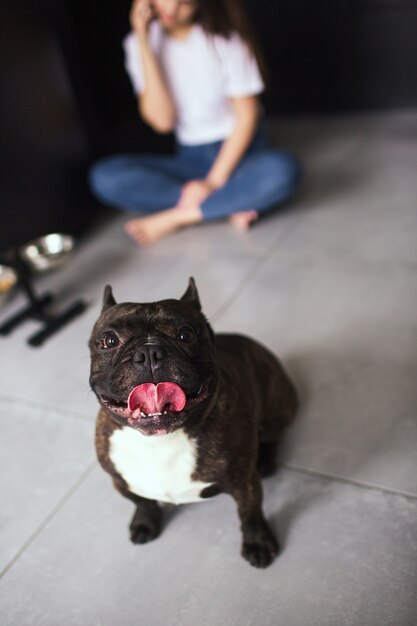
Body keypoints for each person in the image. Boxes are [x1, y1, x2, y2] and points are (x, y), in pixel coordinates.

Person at [89, 0, 302, 245]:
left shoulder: (225, 39)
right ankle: (230, 203)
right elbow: (163, 122)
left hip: (241, 156)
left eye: (185, 3)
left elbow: (247, 117)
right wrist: (143, 40)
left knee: (283, 170)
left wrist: (212, 182)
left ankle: (179, 216)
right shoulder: (136, 44)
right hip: (190, 160)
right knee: (105, 177)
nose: (171, 9)